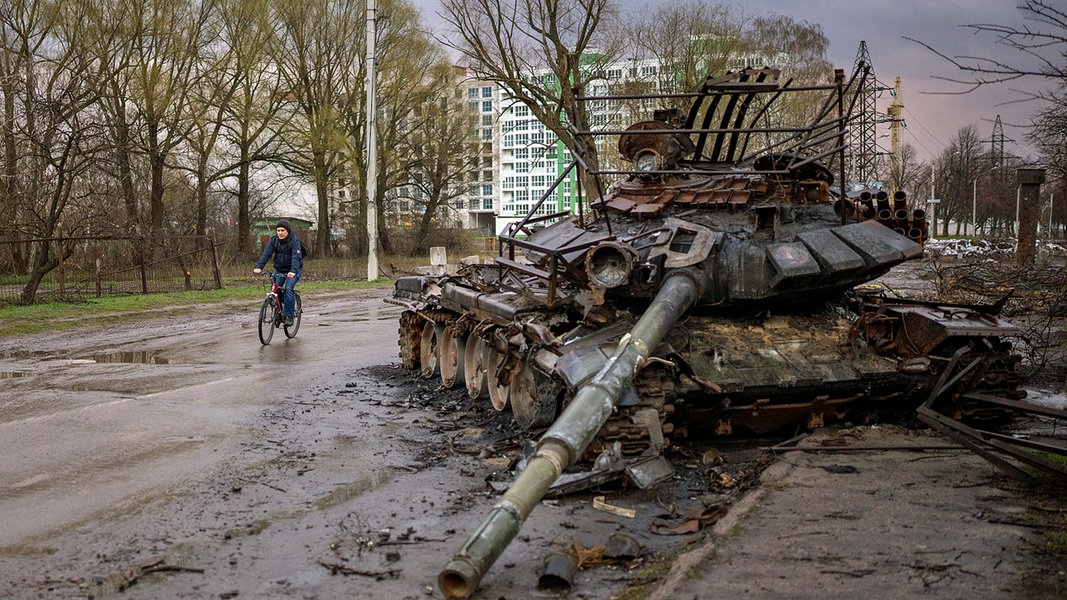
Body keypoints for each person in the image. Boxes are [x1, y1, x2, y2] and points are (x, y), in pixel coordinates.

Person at [253, 220, 304, 326]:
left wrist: (293, 271)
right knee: (276, 289)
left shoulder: (294, 241)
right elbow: (266, 254)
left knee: (289, 288)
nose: (280, 233)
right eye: (278, 230)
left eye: (283, 230)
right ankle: (279, 311)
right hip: (279, 269)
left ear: (287, 231)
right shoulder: (274, 240)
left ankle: (289, 316)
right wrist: (259, 267)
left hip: (293, 270)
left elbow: (296, 257)